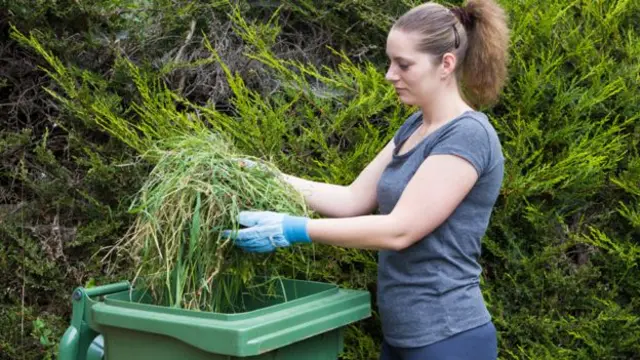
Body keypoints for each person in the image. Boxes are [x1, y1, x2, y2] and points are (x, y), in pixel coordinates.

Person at [223, 0, 510, 358]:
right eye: (390, 61)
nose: (390, 74)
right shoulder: (414, 128)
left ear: (446, 65)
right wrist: (268, 176)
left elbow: (399, 230)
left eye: (403, 64)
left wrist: (292, 229)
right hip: (403, 336)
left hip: (449, 338)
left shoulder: (468, 136)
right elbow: (352, 199)